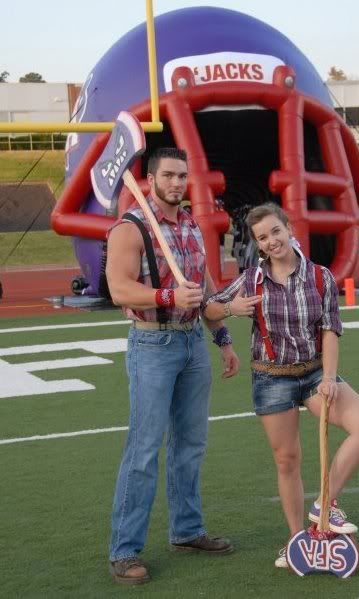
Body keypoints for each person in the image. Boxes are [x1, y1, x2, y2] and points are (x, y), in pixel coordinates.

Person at [203, 202, 359, 569]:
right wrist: (232, 310)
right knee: (287, 460)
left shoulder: (320, 277)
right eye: (262, 237)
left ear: (288, 228)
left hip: (314, 373)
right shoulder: (251, 279)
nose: (271, 241)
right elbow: (209, 309)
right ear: (257, 243)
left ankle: (325, 503)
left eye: (275, 231)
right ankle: (298, 541)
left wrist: (329, 377)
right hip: (272, 377)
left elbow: (330, 330)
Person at [105, 147, 240, 585]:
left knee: (191, 444)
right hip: (153, 343)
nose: (177, 182)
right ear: (150, 179)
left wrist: (222, 339)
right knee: (144, 449)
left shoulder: (191, 226)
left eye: (182, 176)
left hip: (192, 342)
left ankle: (186, 530)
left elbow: (204, 289)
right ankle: (124, 550)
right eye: (168, 175)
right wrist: (166, 296)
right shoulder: (130, 227)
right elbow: (119, 289)